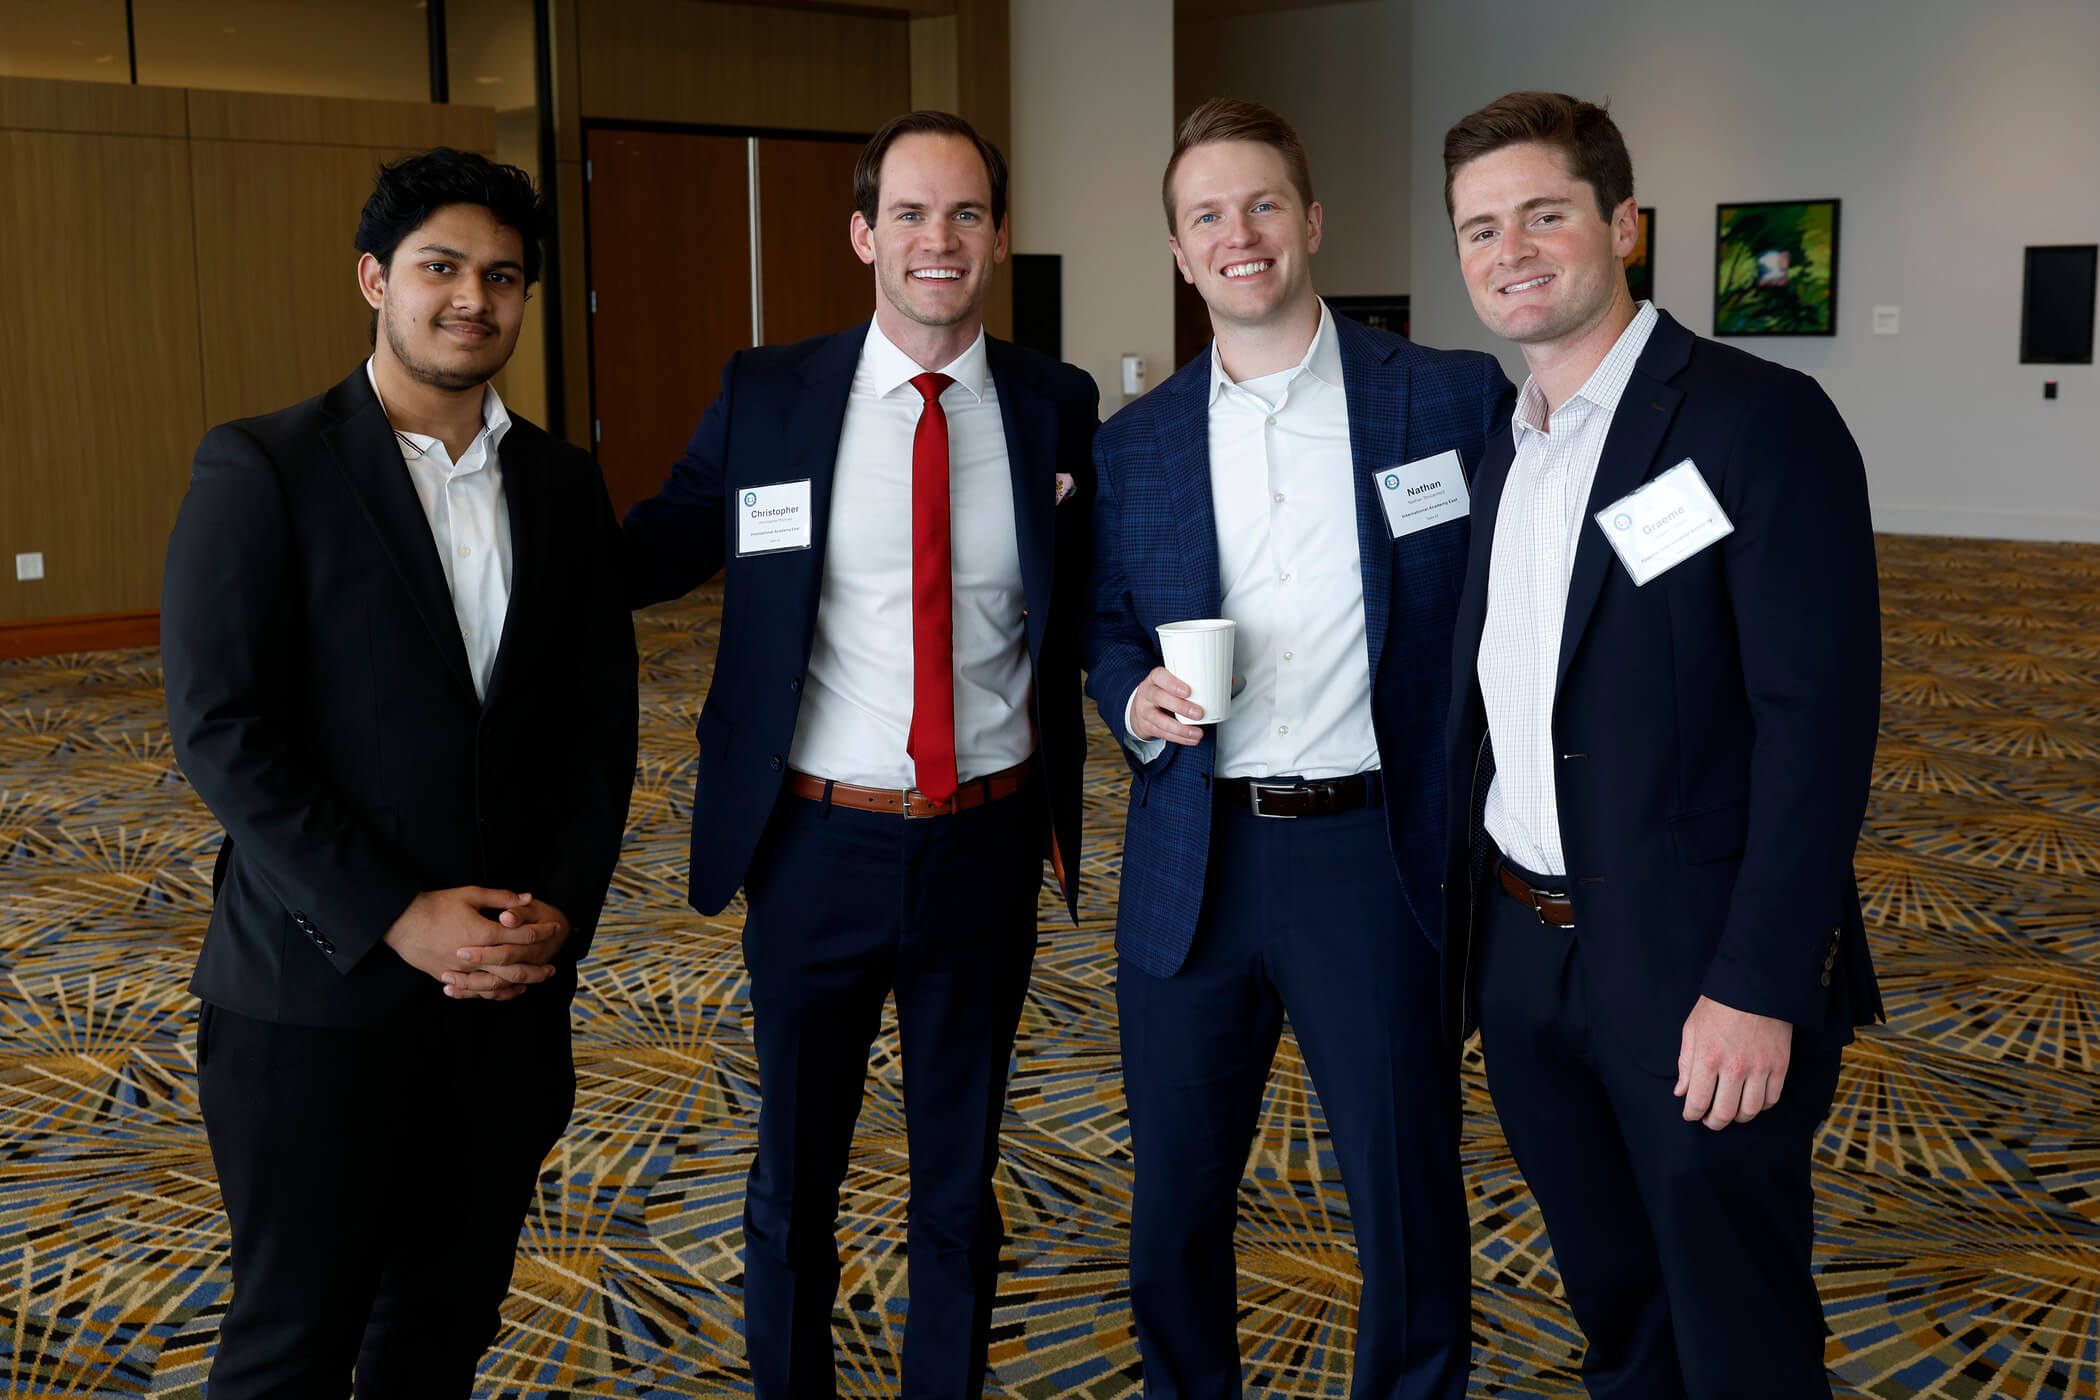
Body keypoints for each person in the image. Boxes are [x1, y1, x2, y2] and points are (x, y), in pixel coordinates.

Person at [620, 110, 1097, 1399]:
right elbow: (662, 542)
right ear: (862, 234)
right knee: (795, 1170)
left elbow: (1088, 596)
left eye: (965, 214)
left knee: (957, 1176)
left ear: (998, 234)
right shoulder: (772, 392)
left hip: (985, 840)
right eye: (909, 213)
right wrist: (508, 530)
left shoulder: (1055, 404)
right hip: (814, 840)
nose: (938, 239)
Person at [161, 147, 638, 1397]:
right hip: (316, 999)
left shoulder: (563, 482)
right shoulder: (262, 466)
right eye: (441, 266)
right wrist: (392, 913)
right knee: (291, 1344)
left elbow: (599, 728)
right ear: (376, 278)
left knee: (442, 1332)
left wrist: (560, 908)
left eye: (503, 275)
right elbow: (223, 729)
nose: (473, 297)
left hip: (507, 997)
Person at [1438, 91, 1882, 1400]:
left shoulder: (1756, 419)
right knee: (1618, 1307)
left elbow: (1817, 728)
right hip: (1528, 958)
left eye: (1544, 215)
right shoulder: (1503, 441)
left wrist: (1759, 984)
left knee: (1737, 1324)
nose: (1511, 252)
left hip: (1699, 971)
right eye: (1479, 229)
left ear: (1624, 225)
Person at [1081, 97, 1512, 1400]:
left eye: (1263, 203)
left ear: (1311, 220)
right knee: (1176, 1201)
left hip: (1374, 855)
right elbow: (1105, 622)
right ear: (1179, 251)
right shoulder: (1135, 443)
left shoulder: (1444, 398)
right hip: (1194, 858)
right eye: (1208, 214)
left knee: (1404, 1193)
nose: (1241, 232)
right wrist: (1130, 698)